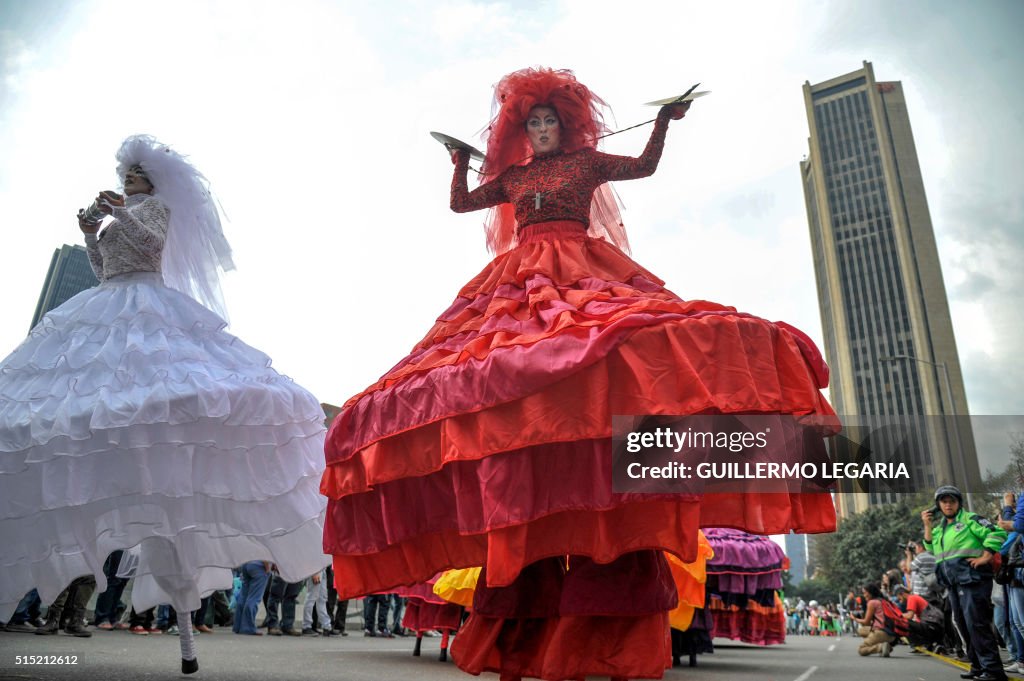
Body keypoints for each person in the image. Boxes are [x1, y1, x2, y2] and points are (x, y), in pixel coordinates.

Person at [321, 66, 837, 680]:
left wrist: (667, 122)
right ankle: (534, 560)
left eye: (549, 122)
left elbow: (643, 167)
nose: (540, 130)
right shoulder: (512, 176)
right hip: (515, 281)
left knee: (600, 353)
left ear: (564, 126)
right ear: (521, 130)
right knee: (495, 375)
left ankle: (599, 544)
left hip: (582, 266)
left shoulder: (588, 163)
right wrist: (460, 160)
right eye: (532, 122)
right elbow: (462, 203)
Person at [0, 135, 329, 673]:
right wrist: (91, 231)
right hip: (108, 307)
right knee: (87, 405)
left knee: (165, 404)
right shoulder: (123, 213)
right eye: (125, 175)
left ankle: (182, 620)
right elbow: (107, 269)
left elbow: (150, 246)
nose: (128, 181)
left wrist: (118, 213)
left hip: (151, 307)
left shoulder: (155, 210)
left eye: (135, 176)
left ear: (151, 182)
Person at [923, 485, 1008, 681]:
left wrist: (986, 556)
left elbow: (997, 533)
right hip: (953, 583)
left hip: (972, 579)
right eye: (943, 501)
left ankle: (993, 669)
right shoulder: (941, 528)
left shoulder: (970, 519)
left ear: (959, 503)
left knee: (976, 623)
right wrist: (927, 524)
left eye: (952, 501)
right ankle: (977, 665)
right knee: (962, 624)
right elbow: (930, 546)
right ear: (938, 505)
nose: (948, 504)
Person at [851, 583, 895, 657]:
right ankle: (883, 645)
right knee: (861, 630)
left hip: (880, 632)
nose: (864, 595)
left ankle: (880, 647)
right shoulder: (884, 601)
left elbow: (866, 622)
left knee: (861, 650)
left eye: (865, 593)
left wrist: (855, 618)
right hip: (892, 634)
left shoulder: (872, 603)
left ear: (870, 592)